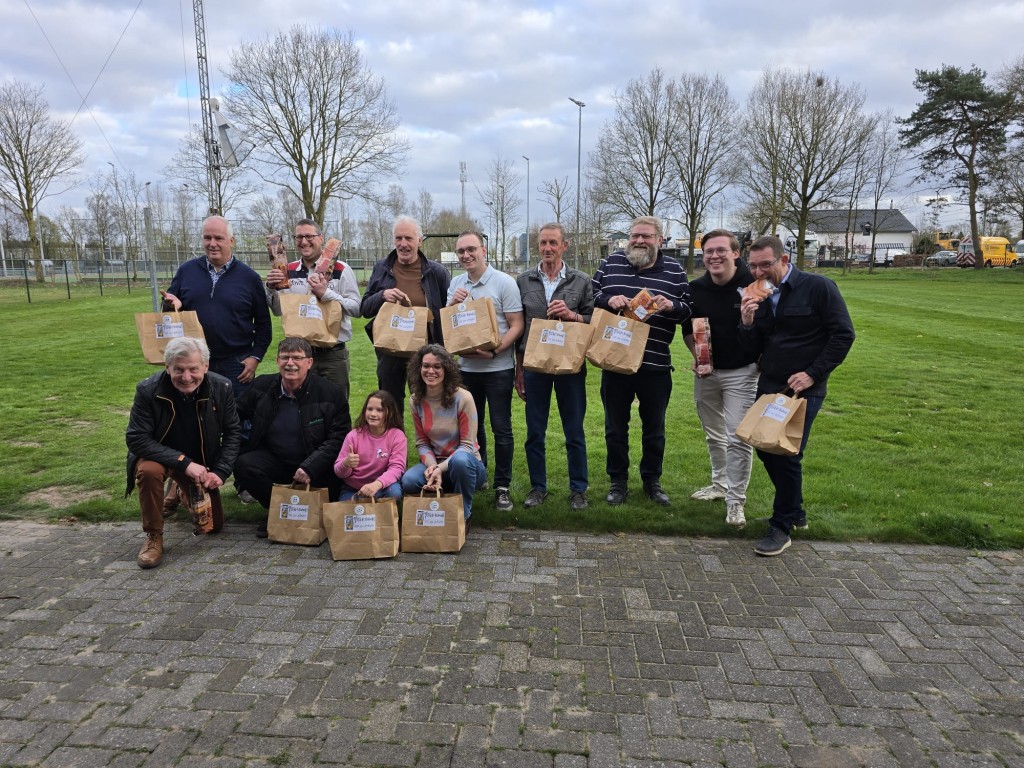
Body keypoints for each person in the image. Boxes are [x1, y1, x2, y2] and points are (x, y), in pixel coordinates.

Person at [739, 235, 855, 557]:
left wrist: (813, 373)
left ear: (784, 260)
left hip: (804, 388)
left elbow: (843, 334)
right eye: (753, 266)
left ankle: (781, 527)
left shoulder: (819, 287)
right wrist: (747, 322)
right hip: (770, 386)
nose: (759, 272)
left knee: (787, 452)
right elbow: (753, 349)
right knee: (764, 447)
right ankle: (795, 510)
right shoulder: (756, 296)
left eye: (766, 264)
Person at [592, 215, 691, 506]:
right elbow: (591, 294)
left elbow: (689, 309)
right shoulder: (611, 263)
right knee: (614, 427)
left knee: (655, 428)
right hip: (615, 361)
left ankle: (652, 480)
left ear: (660, 240)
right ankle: (617, 482)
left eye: (646, 236)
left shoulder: (674, 270)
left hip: (656, 363)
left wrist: (671, 305)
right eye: (635, 236)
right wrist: (607, 300)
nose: (638, 241)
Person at [125, 337, 241, 569]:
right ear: (167, 367)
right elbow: (136, 438)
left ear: (205, 367)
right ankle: (153, 535)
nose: (186, 377)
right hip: (162, 458)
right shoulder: (147, 390)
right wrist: (183, 463)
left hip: (200, 462)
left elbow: (233, 432)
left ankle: (179, 488)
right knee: (148, 471)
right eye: (178, 369)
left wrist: (220, 471)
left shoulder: (222, 387)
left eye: (193, 369)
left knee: (213, 526)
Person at [681, 229, 759, 528]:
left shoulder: (753, 285)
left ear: (735, 253)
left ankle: (736, 502)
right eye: (708, 251)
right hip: (707, 373)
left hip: (743, 371)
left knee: (738, 437)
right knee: (713, 433)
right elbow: (689, 331)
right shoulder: (696, 288)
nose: (713, 256)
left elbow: (770, 326)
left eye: (720, 251)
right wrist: (698, 357)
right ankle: (720, 484)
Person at [233, 337, 348, 537]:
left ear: (309, 362)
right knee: (244, 464)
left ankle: (300, 513)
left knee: (332, 491)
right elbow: (234, 416)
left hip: (317, 466)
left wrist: (311, 466)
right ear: (277, 361)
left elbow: (338, 438)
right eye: (285, 357)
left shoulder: (330, 393)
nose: (290, 363)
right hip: (276, 460)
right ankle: (278, 511)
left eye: (297, 358)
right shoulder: (262, 386)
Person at [514, 223, 594, 511]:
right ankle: (538, 487)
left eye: (553, 243)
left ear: (564, 246)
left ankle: (578, 490)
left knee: (574, 430)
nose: (547, 248)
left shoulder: (581, 281)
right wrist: (519, 367)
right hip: (534, 365)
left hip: (569, 366)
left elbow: (594, 321)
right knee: (535, 430)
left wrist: (572, 315)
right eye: (543, 243)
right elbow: (518, 326)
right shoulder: (523, 281)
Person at [446, 230, 524, 511]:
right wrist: (452, 304)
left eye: (471, 250)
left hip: (497, 368)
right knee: (471, 429)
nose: (466, 255)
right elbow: (449, 324)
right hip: (466, 369)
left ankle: (502, 486)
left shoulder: (504, 282)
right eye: (461, 252)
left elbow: (516, 323)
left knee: (501, 428)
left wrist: (495, 351)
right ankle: (479, 476)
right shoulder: (455, 283)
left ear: (484, 251)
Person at [265, 218, 361, 435]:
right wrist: (270, 289)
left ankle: (337, 464)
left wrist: (327, 294)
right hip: (298, 355)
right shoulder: (287, 270)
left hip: (332, 355)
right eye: (299, 237)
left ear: (321, 239)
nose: (304, 241)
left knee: (335, 412)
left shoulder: (340, 269)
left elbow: (357, 308)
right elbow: (279, 310)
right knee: (298, 411)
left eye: (309, 236)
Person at [163, 216, 272, 398]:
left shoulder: (249, 278)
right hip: (193, 362)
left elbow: (263, 324)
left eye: (218, 238)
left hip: (237, 365)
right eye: (207, 238)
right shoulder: (186, 272)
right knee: (196, 417)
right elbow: (168, 315)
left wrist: (255, 358)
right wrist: (172, 306)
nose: (212, 244)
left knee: (237, 420)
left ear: (231, 241)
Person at [360, 216, 451, 416]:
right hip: (389, 352)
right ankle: (394, 446)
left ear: (420, 240)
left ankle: (430, 447)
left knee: (430, 407)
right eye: (398, 238)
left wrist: (445, 354)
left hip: (425, 355)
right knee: (390, 408)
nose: (403, 244)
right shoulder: (382, 268)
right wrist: (382, 295)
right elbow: (364, 308)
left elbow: (446, 313)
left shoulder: (437, 272)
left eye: (408, 238)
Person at [401, 345, 487, 522]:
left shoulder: (463, 398)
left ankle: (463, 514)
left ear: (446, 370)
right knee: (409, 480)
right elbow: (422, 442)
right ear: (419, 368)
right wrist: (433, 467)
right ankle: (438, 505)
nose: (430, 371)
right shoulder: (415, 400)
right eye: (426, 366)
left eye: (437, 366)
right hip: (436, 464)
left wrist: (440, 468)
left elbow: (467, 446)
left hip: (468, 466)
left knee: (460, 461)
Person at [334, 390, 407, 501]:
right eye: (370, 409)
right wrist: (346, 464)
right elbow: (339, 472)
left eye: (379, 410)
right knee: (344, 514)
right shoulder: (353, 436)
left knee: (395, 492)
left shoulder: (397, 436)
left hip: (381, 486)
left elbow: (397, 468)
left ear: (390, 413)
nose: (373, 414)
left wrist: (377, 484)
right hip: (353, 488)